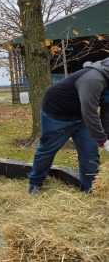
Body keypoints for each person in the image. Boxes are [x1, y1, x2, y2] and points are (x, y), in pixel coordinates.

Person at [28, 58, 109, 194]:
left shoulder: (107, 82)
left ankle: (89, 190)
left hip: (81, 117)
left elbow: (107, 110)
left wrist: (106, 136)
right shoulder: (93, 79)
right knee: (47, 150)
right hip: (57, 114)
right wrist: (102, 140)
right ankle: (35, 184)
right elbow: (89, 112)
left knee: (90, 154)